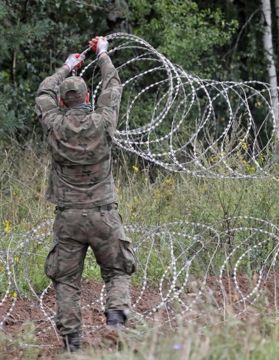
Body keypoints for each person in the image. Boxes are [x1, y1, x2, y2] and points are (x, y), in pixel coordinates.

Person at [35, 36, 135, 352]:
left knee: (66, 281)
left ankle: (72, 342)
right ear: (88, 96)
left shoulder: (53, 122)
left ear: (62, 102)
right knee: (118, 270)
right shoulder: (103, 120)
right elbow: (113, 85)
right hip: (104, 212)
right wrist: (102, 54)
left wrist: (67, 66)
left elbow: (43, 92)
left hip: (68, 217)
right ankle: (116, 322)